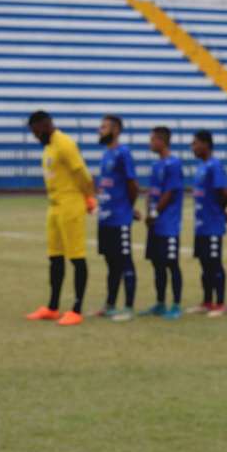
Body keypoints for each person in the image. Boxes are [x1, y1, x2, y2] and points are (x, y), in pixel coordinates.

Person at [25, 110, 96, 326]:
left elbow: (81, 173)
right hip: (54, 206)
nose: (35, 137)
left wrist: (89, 197)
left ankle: (76, 309)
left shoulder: (65, 144)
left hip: (71, 204)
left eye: (36, 132)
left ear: (46, 125)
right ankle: (52, 307)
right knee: (55, 257)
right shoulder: (48, 147)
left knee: (76, 257)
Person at [94, 115, 140, 321]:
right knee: (111, 262)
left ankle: (129, 307)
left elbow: (132, 185)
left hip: (119, 218)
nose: (99, 130)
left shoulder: (123, 153)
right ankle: (110, 304)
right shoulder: (106, 155)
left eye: (104, 127)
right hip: (105, 218)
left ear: (116, 130)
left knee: (124, 260)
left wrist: (128, 208)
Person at [141, 126, 184, 319]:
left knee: (171, 264)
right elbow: (153, 191)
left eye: (152, 140)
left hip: (168, 224)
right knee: (157, 264)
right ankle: (160, 303)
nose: (150, 143)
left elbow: (169, 192)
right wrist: (148, 210)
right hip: (156, 224)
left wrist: (155, 212)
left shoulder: (173, 164)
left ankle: (176, 305)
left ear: (162, 141)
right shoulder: (157, 165)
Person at [190, 130, 227, 314]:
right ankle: (207, 301)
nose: (193, 147)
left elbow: (224, 193)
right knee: (204, 264)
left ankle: (220, 303)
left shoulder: (215, 166)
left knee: (215, 263)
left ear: (206, 145)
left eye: (196, 143)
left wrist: (220, 211)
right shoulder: (201, 167)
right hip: (201, 225)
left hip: (213, 224)